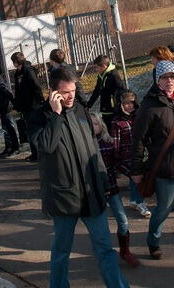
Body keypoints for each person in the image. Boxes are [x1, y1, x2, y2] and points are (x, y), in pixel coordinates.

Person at [28, 67, 129, 288]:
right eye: (65, 92)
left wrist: (103, 180)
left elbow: (93, 147)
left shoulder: (81, 110)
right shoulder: (39, 117)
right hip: (64, 196)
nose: (70, 96)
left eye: (73, 90)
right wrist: (55, 115)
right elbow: (45, 146)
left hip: (92, 193)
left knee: (105, 248)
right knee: (62, 252)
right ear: (53, 92)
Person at [130, 60, 174, 260]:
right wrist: (136, 169)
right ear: (157, 81)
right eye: (164, 77)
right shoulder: (149, 106)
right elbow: (139, 140)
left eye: (173, 77)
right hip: (164, 166)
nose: (169, 81)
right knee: (164, 209)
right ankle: (153, 241)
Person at [91, 111, 140, 268]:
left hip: (112, 189)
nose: (93, 127)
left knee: (123, 220)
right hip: (95, 191)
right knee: (101, 225)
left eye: (96, 123)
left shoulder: (109, 143)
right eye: (90, 124)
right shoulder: (84, 146)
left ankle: (125, 251)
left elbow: (118, 162)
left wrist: (133, 173)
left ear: (101, 125)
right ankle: (103, 253)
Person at [111, 91, 151, 218]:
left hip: (139, 154)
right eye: (126, 103)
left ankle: (134, 200)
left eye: (131, 103)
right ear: (121, 104)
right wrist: (115, 160)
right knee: (136, 177)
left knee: (136, 178)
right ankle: (140, 202)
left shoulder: (139, 117)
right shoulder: (117, 121)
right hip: (125, 157)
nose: (129, 106)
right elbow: (115, 142)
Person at [13, 51, 45, 162]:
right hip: (25, 106)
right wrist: (17, 104)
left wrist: (41, 100)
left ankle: (38, 154)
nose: (13, 64)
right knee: (29, 130)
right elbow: (17, 90)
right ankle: (34, 153)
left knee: (34, 130)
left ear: (17, 61)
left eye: (14, 62)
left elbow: (36, 86)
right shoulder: (17, 72)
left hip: (33, 104)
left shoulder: (28, 70)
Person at [87, 54, 127, 130]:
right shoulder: (101, 75)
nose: (95, 69)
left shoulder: (113, 76)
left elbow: (123, 89)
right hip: (104, 107)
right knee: (106, 127)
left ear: (103, 66)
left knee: (112, 129)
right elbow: (97, 91)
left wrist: (118, 104)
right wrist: (89, 105)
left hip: (112, 109)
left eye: (96, 67)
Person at [0, 63, 19, 157]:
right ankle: (8, 147)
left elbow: (9, 94)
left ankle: (15, 147)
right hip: (2, 109)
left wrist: (15, 104)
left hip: (6, 109)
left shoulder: (0, 83)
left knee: (10, 129)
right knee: (6, 129)